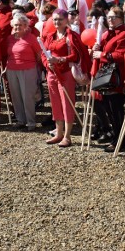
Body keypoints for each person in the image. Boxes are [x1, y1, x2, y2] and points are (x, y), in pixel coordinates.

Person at [43, 9, 89, 147]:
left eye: (60, 19)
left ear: (66, 20)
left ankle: (68, 136)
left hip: (66, 73)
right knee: (55, 103)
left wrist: (60, 60)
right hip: (52, 72)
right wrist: (48, 64)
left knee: (67, 103)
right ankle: (59, 133)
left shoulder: (71, 36)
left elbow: (76, 55)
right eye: (55, 19)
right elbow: (44, 53)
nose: (57, 22)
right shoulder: (50, 36)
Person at [92, 6, 125, 152]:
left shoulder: (123, 34)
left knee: (116, 110)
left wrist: (102, 55)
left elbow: (121, 55)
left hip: (115, 76)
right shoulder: (107, 34)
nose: (111, 20)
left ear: (121, 18)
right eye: (109, 17)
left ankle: (120, 140)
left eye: (114, 17)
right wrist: (97, 47)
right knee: (109, 109)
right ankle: (115, 137)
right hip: (106, 75)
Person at [6, 14, 42, 131]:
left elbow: (39, 54)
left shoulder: (31, 38)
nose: (17, 27)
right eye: (16, 25)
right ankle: (21, 120)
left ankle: (31, 122)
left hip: (28, 69)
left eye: (20, 25)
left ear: (26, 26)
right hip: (12, 69)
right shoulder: (10, 38)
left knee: (28, 96)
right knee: (16, 96)